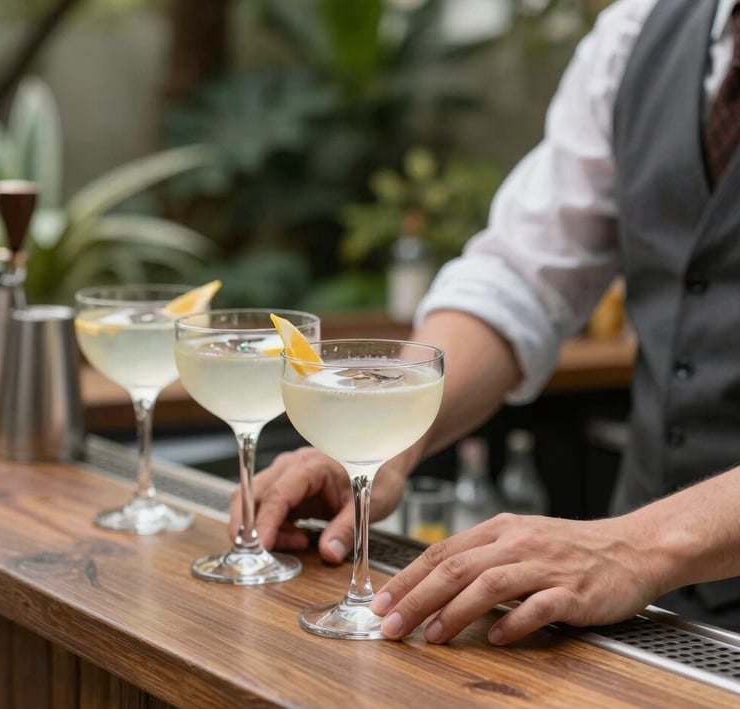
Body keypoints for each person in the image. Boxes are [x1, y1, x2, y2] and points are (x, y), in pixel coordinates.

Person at [229, 0, 740, 645]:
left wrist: (642, 545)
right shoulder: (639, 31)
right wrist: (387, 446)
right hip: (639, 626)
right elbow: (523, 277)